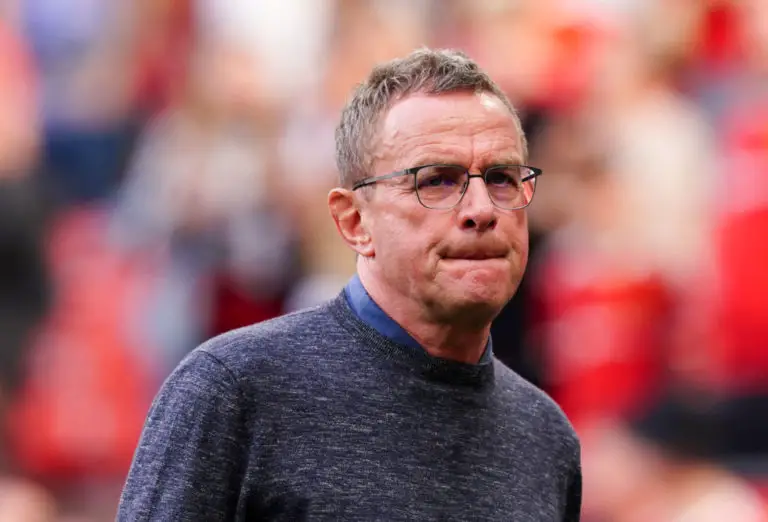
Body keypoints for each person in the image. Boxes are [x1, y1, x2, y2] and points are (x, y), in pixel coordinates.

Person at [117, 48, 582, 521]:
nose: (482, 209)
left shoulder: (545, 438)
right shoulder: (234, 390)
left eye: (503, 178)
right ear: (354, 221)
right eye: (438, 181)